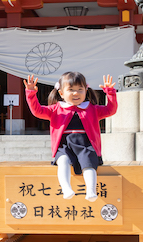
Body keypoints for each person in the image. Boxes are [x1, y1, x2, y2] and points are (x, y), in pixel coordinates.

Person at [24, 72, 117, 202]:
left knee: (89, 165)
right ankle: (66, 188)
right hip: (64, 145)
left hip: (86, 145)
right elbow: (37, 111)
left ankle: (91, 190)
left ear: (86, 90)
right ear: (61, 93)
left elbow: (110, 110)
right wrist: (31, 93)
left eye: (80, 89)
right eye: (71, 90)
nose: (76, 93)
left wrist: (110, 93)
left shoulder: (92, 109)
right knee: (62, 161)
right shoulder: (56, 109)